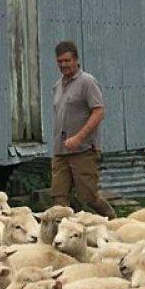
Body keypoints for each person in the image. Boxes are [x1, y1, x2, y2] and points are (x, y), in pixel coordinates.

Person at [50, 40, 116, 218]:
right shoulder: (58, 86)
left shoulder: (87, 81)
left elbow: (99, 111)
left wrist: (79, 137)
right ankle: (64, 234)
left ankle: (112, 221)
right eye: (60, 61)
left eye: (67, 60)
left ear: (76, 60)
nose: (63, 65)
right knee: (59, 198)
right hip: (60, 150)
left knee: (89, 196)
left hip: (83, 150)